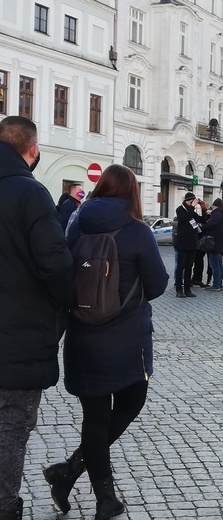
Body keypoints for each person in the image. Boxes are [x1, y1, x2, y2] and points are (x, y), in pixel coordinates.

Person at [43, 164, 168, 519]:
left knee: (94, 419)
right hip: (128, 339)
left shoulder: (77, 223)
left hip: (83, 337)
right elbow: (157, 285)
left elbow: (63, 273)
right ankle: (75, 479)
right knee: (132, 402)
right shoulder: (138, 230)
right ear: (131, 193)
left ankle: (93, 490)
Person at [0, 116, 74, 520]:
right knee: (11, 428)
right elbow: (57, 266)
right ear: (32, 150)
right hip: (18, 339)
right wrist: (63, 305)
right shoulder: (30, 193)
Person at [174, 192, 203, 297]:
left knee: (189, 267)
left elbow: (200, 219)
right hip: (183, 243)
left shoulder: (192, 211)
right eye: (192, 201)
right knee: (181, 266)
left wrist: (203, 209)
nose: (193, 203)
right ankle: (179, 289)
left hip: (192, 243)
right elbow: (185, 218)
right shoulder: (180, 210)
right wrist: (193, 207)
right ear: (187, 201)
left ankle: (187, 289)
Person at [201, 198, 223, 292]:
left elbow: (209, 225)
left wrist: (202, 226)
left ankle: (216, 285)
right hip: (222, 243)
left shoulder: (216, 214)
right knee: (219, 264)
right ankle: (219, 284)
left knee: (215, 264)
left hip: (214, 243)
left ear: (214, 206)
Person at [191, 200, 212, 288]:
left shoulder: (207, 217)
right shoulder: (188, 213)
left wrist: (204, 210)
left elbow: (202, 220)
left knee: (199, 260)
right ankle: (196, 279)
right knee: (197, 260)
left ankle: (197, 279)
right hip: (199, 240)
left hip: (203, 241)